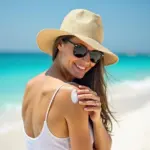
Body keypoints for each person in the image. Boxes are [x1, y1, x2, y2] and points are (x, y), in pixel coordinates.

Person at [22, 9, 119, 150]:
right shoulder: (72, 96)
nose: (87, 61)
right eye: (79, 50)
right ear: (60, 44)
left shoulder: (30, 85)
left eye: (94, 55)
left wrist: (96, 120)